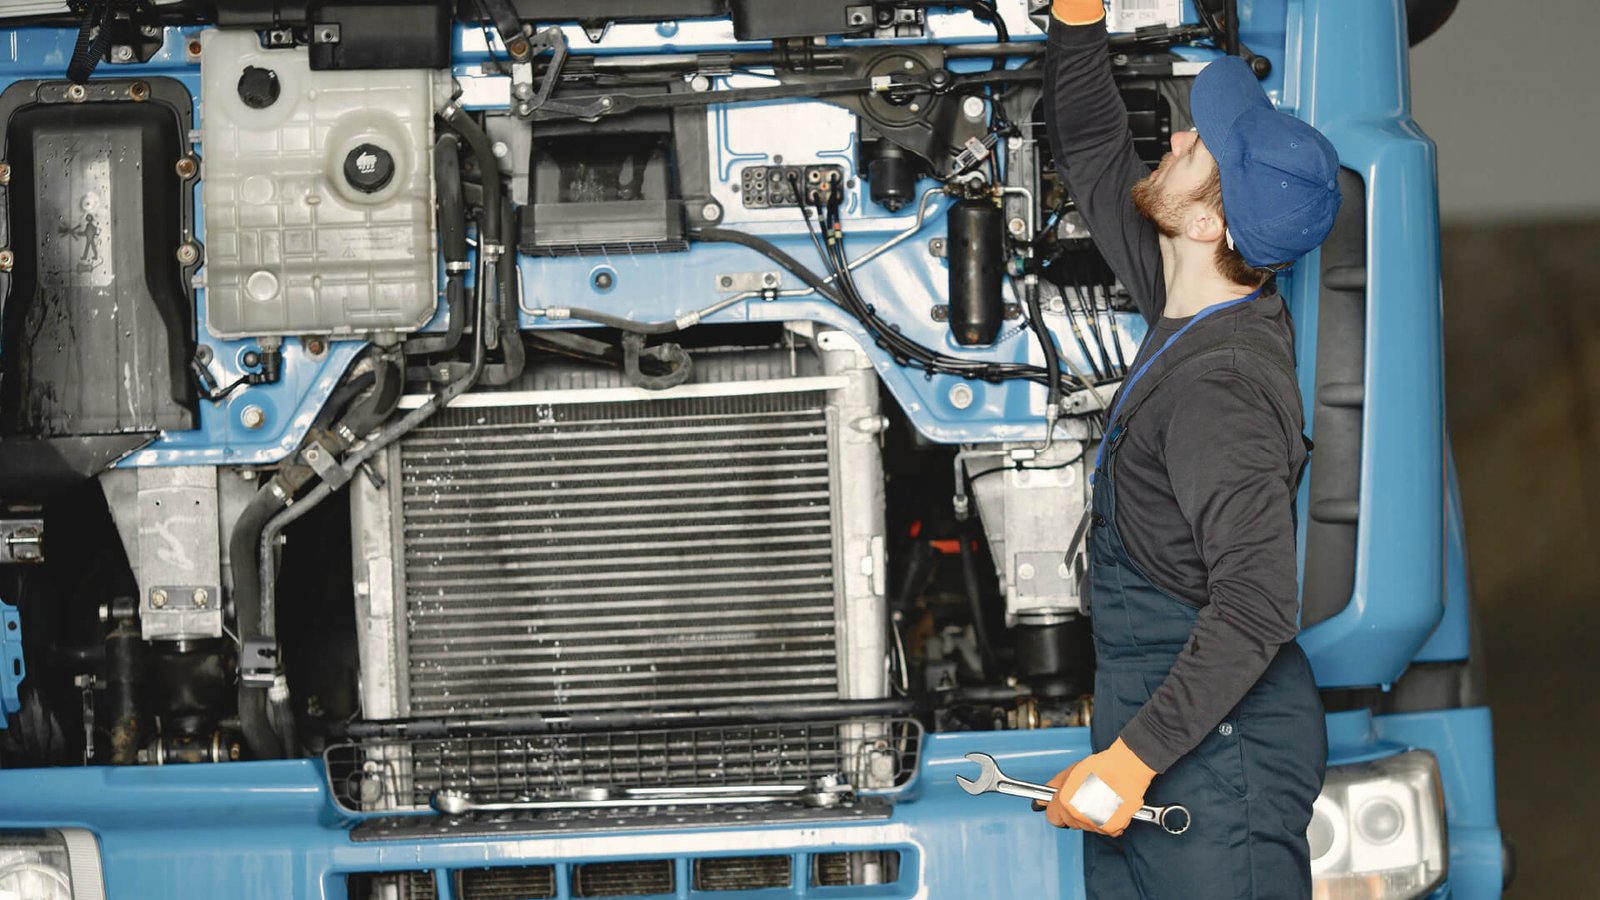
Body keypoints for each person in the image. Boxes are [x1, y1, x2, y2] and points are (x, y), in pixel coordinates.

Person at [1037, 2, 1343, 897]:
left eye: (1196, 148)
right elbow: (1093, 152)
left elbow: (1257, 605)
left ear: (1209, 225)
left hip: (1218, 763)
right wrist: (1077, 17)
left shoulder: (1220, 392)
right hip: (1169, 727)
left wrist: (1131, 762)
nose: (1173, 138)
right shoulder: (1193, 303)